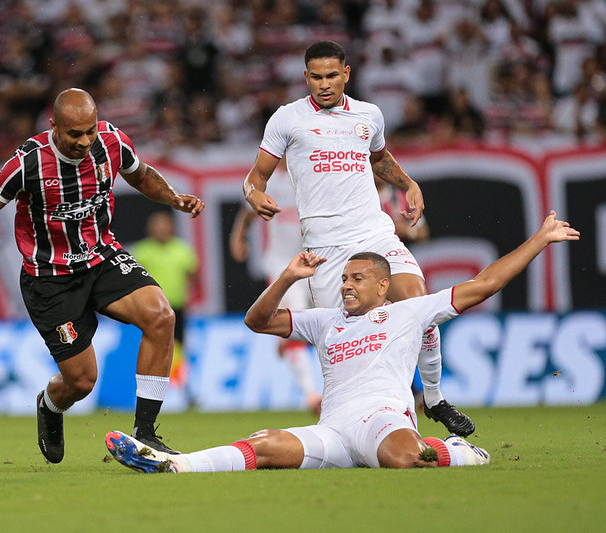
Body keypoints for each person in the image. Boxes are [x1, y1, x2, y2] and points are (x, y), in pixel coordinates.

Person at [105, 211, 580, 473]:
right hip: (333, 430)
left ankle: (460, 451)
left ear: (381, 286)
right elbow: (256, 321)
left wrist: (539, 238)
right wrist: (288, 275)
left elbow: (484, 285)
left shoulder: (409, 311)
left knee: (403, 458)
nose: (346, 285)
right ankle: (173, 465)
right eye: (344, 278)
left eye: (357, 279)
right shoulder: (325, 320)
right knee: (265, 445)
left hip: (382, 420)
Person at [0, 88, 205, 463]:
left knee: (161, 316)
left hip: (102, 258)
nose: (84, 141)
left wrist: (174, 198)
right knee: (81, 381)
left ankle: (144, 435)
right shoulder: (28, 163)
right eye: (74, 134)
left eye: (89, 132)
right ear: (54, 126)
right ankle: (50, 406)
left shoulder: (112, 141)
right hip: (50, 280)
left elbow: (142, 175)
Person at [240, 40, 473, 436]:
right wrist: (255, 195)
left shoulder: (369, 115)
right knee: (340, 342)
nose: (325, 84)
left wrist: (408, 184)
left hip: (373, 232)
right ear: (305, 77)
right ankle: (341, 419)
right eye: (316, 77)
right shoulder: (287, 119)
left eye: (332, 75)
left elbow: (380, 160)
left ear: (346, 73)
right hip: (325, 250)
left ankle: (433, 398)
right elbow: (255, 177)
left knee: (421, 304)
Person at [229, 165, 322, 415]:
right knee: (298, 322)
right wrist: (239, 238)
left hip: (317, 260)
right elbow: (249, 212)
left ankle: (285, 337)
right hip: (282, 263)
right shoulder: (271, 182)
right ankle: (311, 395)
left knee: (322, 322)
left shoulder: (313, 176)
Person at [130, 210, 199, 399]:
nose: (160, 229)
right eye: (157, 225)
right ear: (150, 229)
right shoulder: (142, 251)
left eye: (164, 224)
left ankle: (180, 389)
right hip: (151, 311)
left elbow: (193, 276)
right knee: (153, 349)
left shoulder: (182, 250)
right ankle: (152, 391)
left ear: (171, 227)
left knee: (179, 349)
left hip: (177, 308)